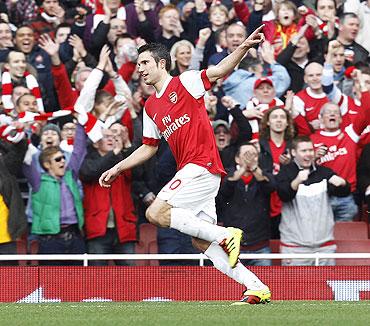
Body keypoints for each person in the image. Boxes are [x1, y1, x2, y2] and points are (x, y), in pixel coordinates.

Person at [99, 26, 271, 305]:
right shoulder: (151, 107)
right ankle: (256, 286)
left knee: (155, 213)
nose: (140, 69)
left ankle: (226, 234)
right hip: (191, 171)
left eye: (145, 63)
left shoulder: (186, 82)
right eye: (139, 64)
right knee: (201, 242)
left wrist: (244, 48)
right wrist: (119, 167)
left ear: (161, 64)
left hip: (201, 165)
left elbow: (219, 70)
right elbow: (149, 147)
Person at [276, 136, 350, 266]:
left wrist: (343, 183)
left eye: (310, 150)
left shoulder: (323, 172)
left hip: (324, 247)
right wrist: (297, 181)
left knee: (325, 286)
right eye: (303, 151)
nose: (308, 154)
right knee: (294, 287)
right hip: (295, 248)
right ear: (293, 153)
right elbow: (284, 195)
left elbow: (344, 192)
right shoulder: (285, 173)